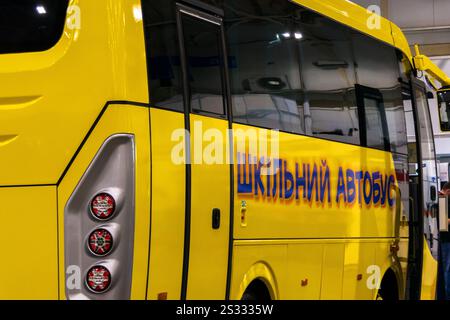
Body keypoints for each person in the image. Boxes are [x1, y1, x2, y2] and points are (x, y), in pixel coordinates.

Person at [439, 182, 450, 299]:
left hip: (446, 240)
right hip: (446, 240)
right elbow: (443, 223)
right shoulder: (442, 199)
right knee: (447, 270)